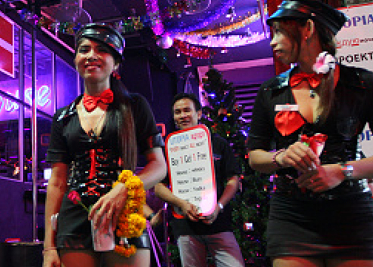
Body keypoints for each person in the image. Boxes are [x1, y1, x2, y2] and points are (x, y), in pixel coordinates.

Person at [247, 0, 373, 267]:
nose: (272, 41)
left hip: (352, 214)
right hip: (292, 215)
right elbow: (255, 157)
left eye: (279, 32)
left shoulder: (362, 84)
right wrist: (280, 158)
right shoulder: (270, 91)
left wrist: (343, 171)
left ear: (308, 29)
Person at [42, 24, 167, 267]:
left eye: (102, 50)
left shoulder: (135, 107)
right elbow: (57, 183)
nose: (91, 55)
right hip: (74, 221)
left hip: (125, 214)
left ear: (116, 63)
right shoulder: (62, 117)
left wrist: (124, 188)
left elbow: (159, 165)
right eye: (84, 49)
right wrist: (48, 246)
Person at [154, 93, 244, 267]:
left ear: (199, 113)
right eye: (177, 112)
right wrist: (182, 204)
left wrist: (219, 206)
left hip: (218, 223)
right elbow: (159, 187)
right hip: (185, 226)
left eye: (187, 110)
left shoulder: (218, 143)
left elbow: (233, 179)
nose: (182, 116)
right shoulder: (168, 148)